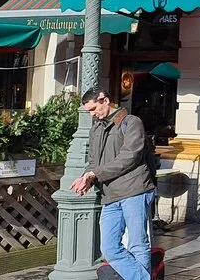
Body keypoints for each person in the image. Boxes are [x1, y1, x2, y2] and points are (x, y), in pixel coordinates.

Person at [70, 88, 156, 280]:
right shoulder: (96, 130)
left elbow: (130, 157)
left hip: (134, 189)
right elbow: (93, 163)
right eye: (89, 111)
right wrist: (86, 178)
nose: (92, 114)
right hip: (110, 194)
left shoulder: (131, 122)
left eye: (93, 109)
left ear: (105, 100)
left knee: (138, 245)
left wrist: (95, 173)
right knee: (109, 248)